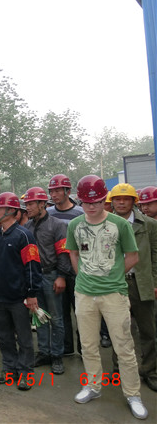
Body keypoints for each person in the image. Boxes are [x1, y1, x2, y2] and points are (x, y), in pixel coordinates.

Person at [66, 175, 147, 420]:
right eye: (86, 202)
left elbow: (133, 257)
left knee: (124, 346)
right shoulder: (75, 225)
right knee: (88, 345)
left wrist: (112, 276)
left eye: (97, 202)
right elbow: (73, 253)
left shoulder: (119, 225)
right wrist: (84, 277)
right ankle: (93, 385)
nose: (92, 206)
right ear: (80, 201)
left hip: (114, 294)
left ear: (105, 200)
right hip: (84, 294)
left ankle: (133, 394)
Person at [0, 192, 42, 391]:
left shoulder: (24, 236)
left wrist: (32, 293)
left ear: (11, 211)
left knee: (24, 337)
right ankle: (9, 368)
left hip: (18, 298)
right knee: (4, 336)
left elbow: (32, 266)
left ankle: (26, 372)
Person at [110, 183, 157, 392]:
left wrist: (154, 282)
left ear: (133, 202)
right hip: (116, 283)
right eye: (117, 199)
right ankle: (118, 369)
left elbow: (155, 255)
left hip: (142, 283)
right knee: (118, 329)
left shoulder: (149, 225)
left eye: (126, 199)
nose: (121, 203)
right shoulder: (104, 225)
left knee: (148, 331)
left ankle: (150, 370)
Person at [23, 187, 70, 376]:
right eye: (26, 204)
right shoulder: (27, 227)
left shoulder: (57, 225)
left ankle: (57, 355)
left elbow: (64, 253)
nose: (27, 207)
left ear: (42, 204)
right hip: (34, 277)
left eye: (31, 204)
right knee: (39, 316)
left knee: (56, 318)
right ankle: (44, 352)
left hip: (52, 275)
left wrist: (61, 276)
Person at [47, 174, 84, 357]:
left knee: (82, 312)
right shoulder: (48, 214)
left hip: (78, 271)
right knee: (60, 313)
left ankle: (84, 348)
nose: (54, 195)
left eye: (58, 191)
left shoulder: (80, 213)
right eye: (51, 191)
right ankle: (66, 347)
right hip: (57, 271)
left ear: (68, 191)